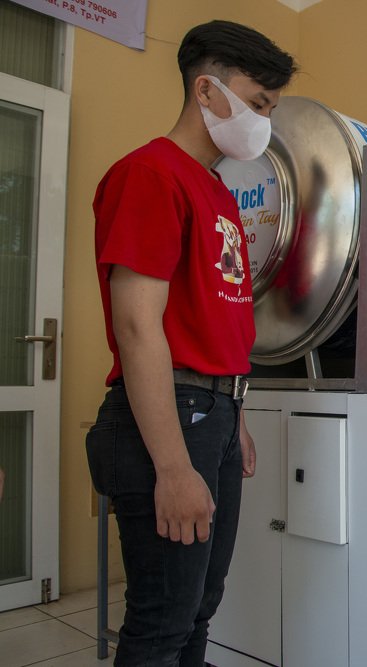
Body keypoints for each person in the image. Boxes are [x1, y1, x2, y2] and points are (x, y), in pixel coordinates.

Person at [85, 20, 296, 666]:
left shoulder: (217, 192)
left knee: (200, 604)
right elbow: (138, 326)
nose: (263, 121)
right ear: (207, 91)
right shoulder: (151, 174)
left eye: (270, 108)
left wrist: (234, 412)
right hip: (167, 420)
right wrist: (174, 467)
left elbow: (211, 318)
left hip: (212, 415)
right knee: (162, 619)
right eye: (257, 103)